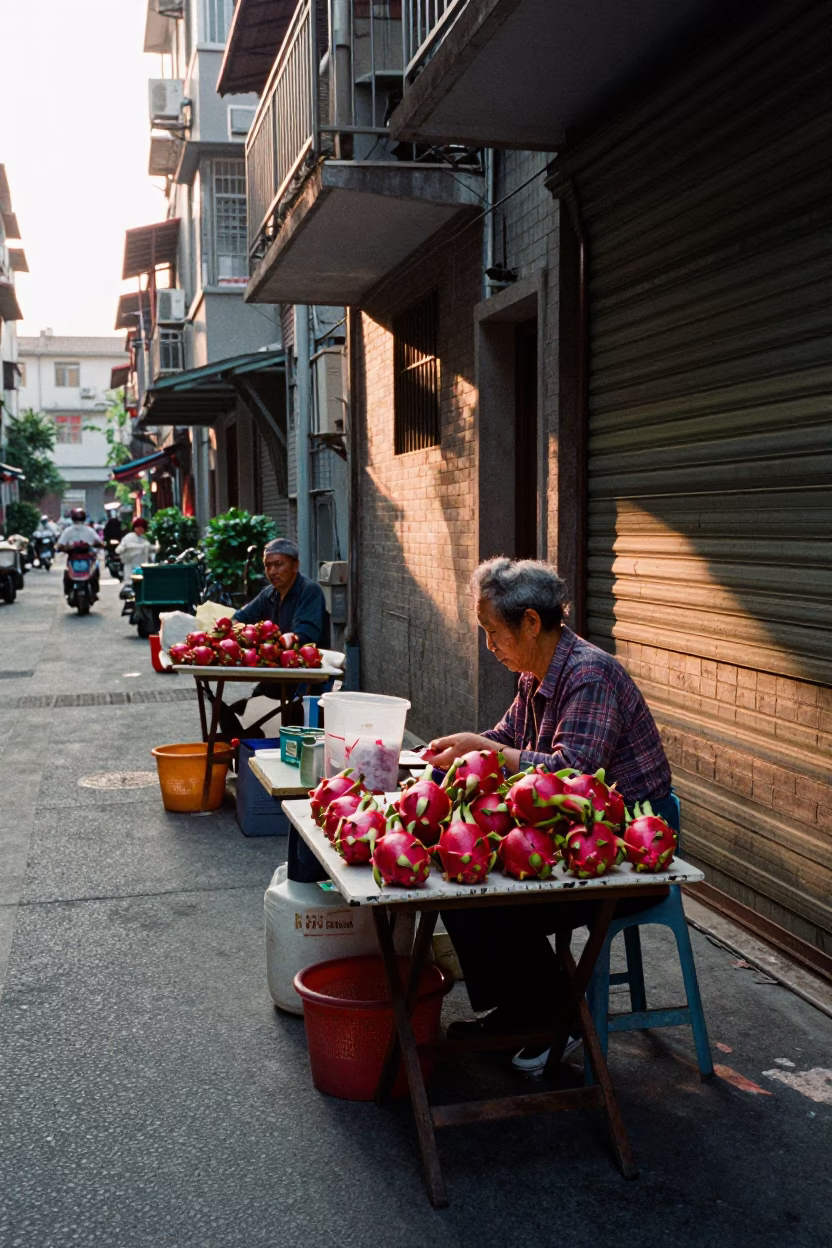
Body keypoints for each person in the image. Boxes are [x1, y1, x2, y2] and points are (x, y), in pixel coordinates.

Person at [427, 557, 675, 1074]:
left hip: (625, 849)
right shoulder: (533, 675)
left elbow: (573, 775)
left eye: (494, 633)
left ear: (532, 623)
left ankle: (557, 1020)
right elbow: (506, 740)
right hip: (570, 834)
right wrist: (462, 750)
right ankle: (519, 1013)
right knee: (458, 872)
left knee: (493, 898)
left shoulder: (589, 674)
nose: (489, 646)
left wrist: (488, 753)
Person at [221, 537, 330, 736]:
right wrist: (228, 631)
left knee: (273, 724)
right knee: (230, 715)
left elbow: (305, 637)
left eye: (279, 564)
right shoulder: (268, 594)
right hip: (276, 678)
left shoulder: (309, 591)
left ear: (295, 565)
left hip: (303, 683)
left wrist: (276, 643)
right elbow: (240, 618)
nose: (272, 571)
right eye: (268, 566)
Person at [57, 507, 104, 595]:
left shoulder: (68, 531)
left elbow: (60, 544)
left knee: (67, 573)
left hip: (76, 558)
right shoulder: (89, 530)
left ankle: (68, 592)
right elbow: (99, 542)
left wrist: (59, 548)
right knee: (95, 570)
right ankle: (94, 591)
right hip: (86, 557)